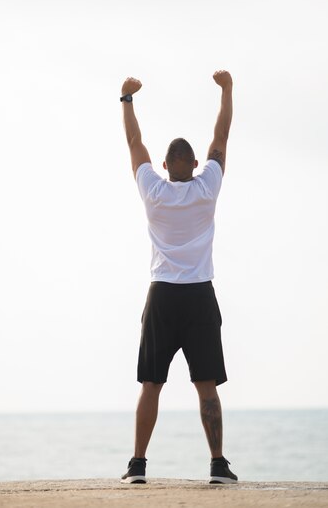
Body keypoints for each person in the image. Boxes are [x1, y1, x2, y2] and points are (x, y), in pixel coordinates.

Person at [119, 70, 237, 485]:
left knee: (151, 384)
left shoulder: (154, 189)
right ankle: (218, 465)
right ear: (195, 165)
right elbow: (220, 137)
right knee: (206, 386)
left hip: (163, 296)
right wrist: (226, 91)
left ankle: (137, 466)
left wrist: (127, 100)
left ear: (166, 166)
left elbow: (135, 145)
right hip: (199, 296)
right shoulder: (208, 187)